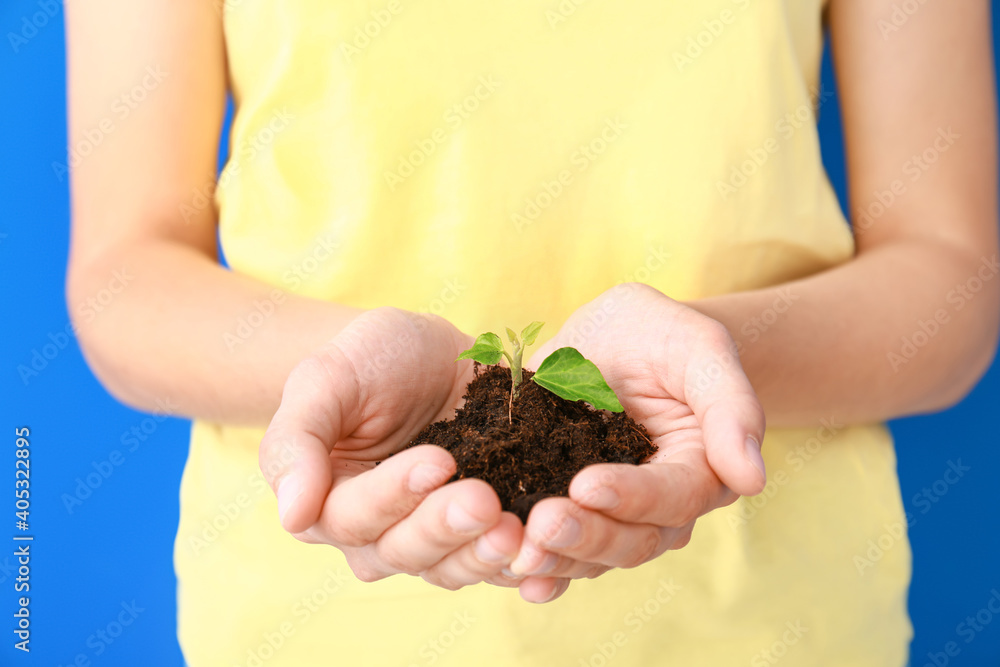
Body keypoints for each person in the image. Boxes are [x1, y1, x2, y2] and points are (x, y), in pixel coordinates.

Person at [65, 0, 998, 664]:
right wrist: (342, 380)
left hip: (775, 621)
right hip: (318, 617)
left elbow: (952, 279)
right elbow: (124, 275)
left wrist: (705, 360)